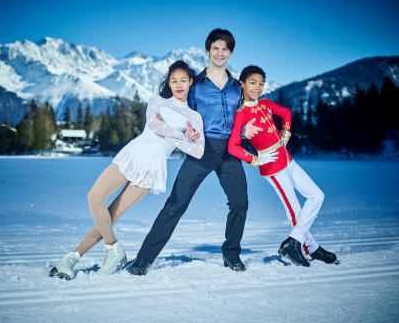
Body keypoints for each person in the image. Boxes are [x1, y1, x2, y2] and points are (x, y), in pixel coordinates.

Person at [49, 61, 205, 279]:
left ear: (191, 82)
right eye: (173, 80)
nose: (178, 84)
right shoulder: (157, 101)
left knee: (111, 216)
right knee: (94, 198)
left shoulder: (194, 116)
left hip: (152, 167)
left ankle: (71, 259)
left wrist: (186, 137)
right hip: (132, 155)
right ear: (168, 83)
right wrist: (182, 135)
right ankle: (113, 248)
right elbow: (155, 125)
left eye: (183, 80)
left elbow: (198, 151)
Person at [127, 28, 262, 275]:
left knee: (240, 203)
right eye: (215, 48)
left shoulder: (237, 87)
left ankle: (231, 254)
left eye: (225, 49)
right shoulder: (196, 85)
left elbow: (244, 116)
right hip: (202, 150)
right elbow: (177, 110)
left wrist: (248, 131)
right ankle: (143, 259)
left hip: (231, 152)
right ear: (208, 51)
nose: (220, 53)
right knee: (176, 204)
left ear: (230, 52)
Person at [228, 65, 337, 266]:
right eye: (253, 83)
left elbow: (286, 113)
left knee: (317, 195)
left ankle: (298, 243)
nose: (258, 87)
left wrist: (285, 134)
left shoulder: (266, 104)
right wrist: (256, 159)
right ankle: (309, 248)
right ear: (242, 84)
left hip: (287, 159)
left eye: (261, 83)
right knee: (294, 209)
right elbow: (233, 146)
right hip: (272, 167)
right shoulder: (241, 114)